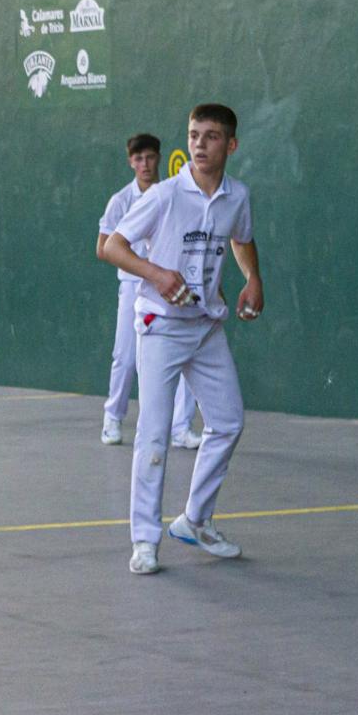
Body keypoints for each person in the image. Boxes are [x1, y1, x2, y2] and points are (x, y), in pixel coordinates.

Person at [102, 104, 263, 576]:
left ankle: (194, 519)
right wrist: (156, 273)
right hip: (159, 327)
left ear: (230, 145)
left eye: (211, 136)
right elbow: (112, 245)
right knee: (153, 433)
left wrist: (253, 278)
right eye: (194, 134)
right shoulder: (167, 195)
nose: (199, 143)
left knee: (229, 422)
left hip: (206, 326)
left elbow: (240, 237)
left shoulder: (237, 196)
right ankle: (145, 540)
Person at [97, 134, 201, 449]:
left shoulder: (171, 195)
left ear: (159, 158)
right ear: (131, 162)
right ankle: (112, 419)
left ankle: (180, 428)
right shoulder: (120, 201)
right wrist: (141, 265)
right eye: (139, 159)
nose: (145, 164)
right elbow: (103, 248)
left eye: (150, 157)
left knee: (183, 355)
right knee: (126, 358)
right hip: (132, 286)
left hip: (168, 286)